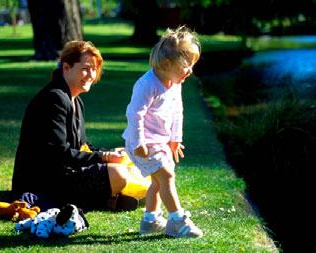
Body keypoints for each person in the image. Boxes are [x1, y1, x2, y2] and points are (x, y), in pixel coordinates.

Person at [12, 40, 129, 210]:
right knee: (117, 173)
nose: (91, 74)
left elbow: (82, 146)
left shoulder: (75, 100)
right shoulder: (54, 99)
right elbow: (58, 154)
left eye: (94, 69)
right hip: (43, 183)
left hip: (63, 172)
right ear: (66, 68)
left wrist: (109, 153)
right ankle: (103, 200)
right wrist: (104, 157)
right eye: (85, 69)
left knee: (123, 160)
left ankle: (107, 198)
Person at [122, 26, 203, 238]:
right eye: (186, 66)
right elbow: (134, 114)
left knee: (158, 181)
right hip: (142, 143)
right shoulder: (147, 84)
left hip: (160, 141)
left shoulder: (174, 82)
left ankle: (150, 220)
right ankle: (177, 220)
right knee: (166, 176)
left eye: (192, 65)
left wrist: (175, 138)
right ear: (167, 64)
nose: (190, 71)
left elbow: (177, 111)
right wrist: (139, 142)